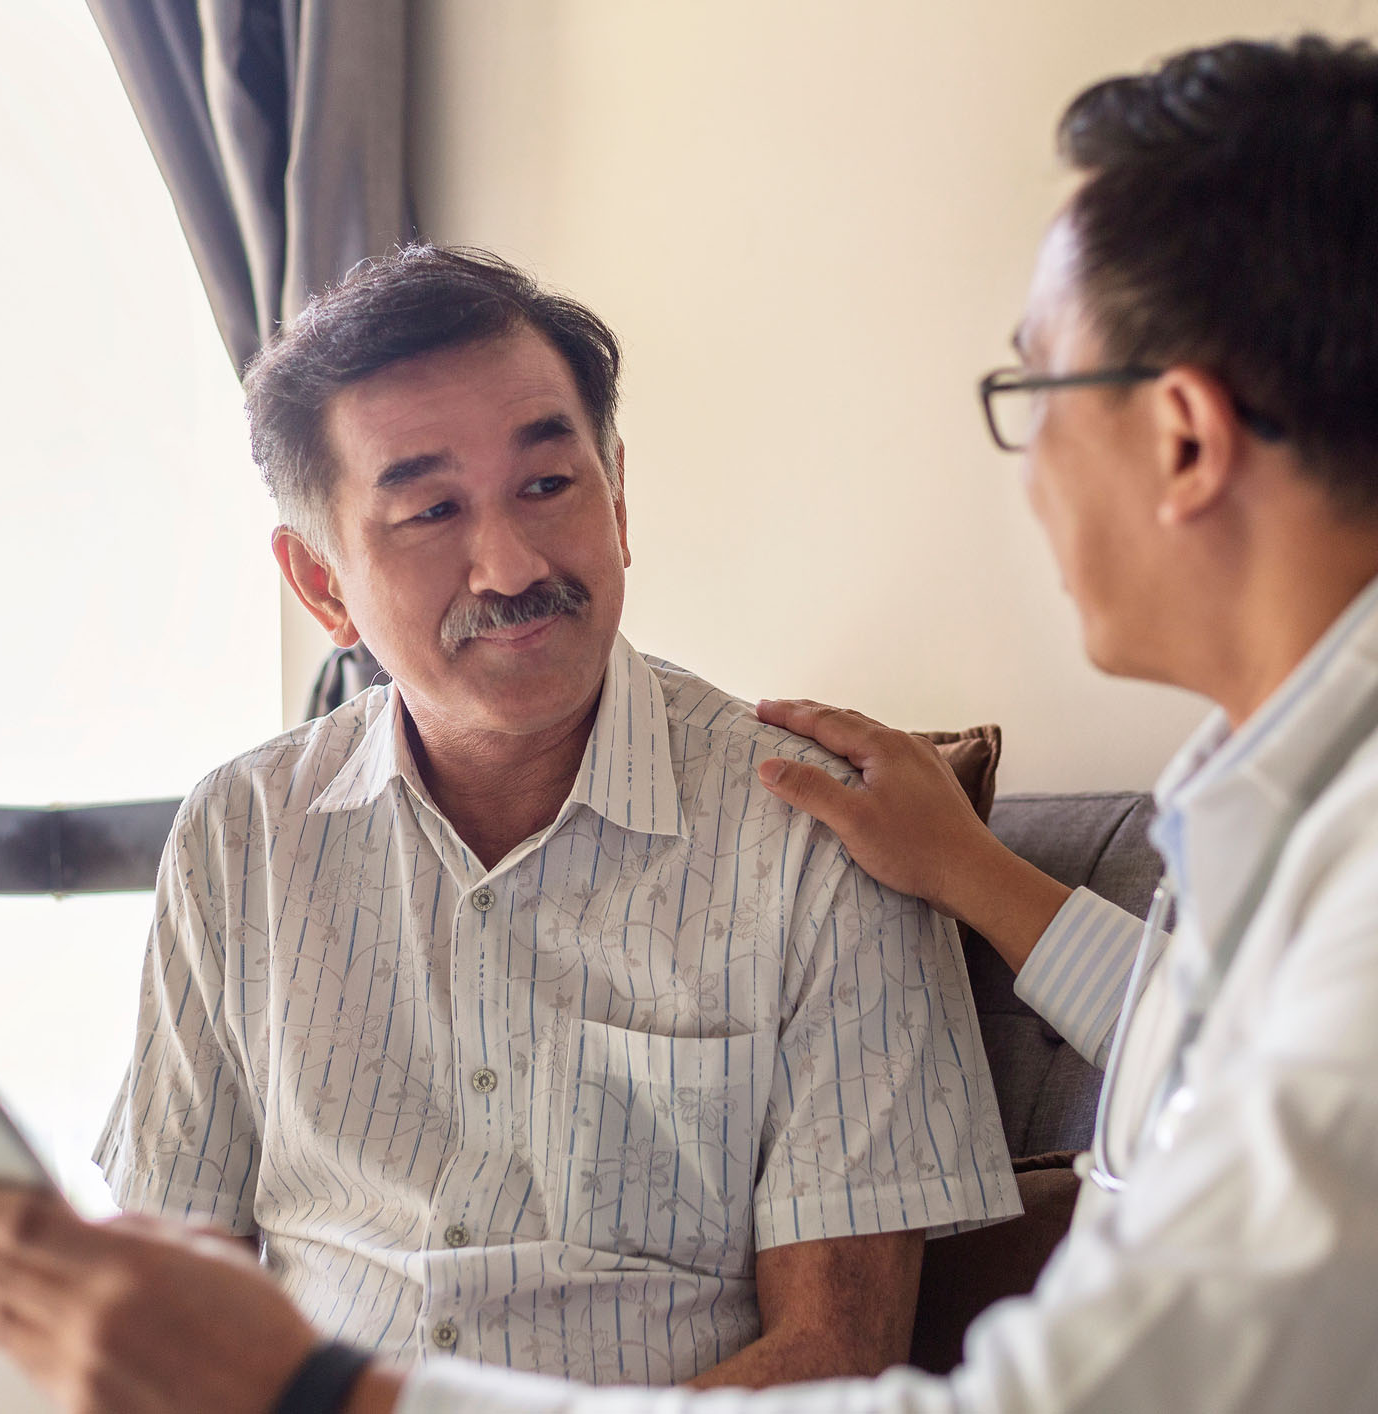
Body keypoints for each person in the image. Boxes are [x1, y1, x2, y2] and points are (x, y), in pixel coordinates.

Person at [0, 34, 1378, 1414]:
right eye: (422, 507)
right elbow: (1221, 1060)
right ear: (320, 581)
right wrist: (982, 879)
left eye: (1033, 390)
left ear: (1182, 435)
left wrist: (332, 1393)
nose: (1025, 461)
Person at [77, 245, 1019, 1392]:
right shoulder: (239, 833)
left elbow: (834, 1361)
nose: (512, 563)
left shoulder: (823, 833)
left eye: (548, 485)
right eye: (430, 510)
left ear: (617, 498)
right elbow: (176, 1294)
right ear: (321, 584)